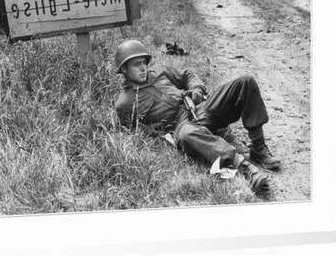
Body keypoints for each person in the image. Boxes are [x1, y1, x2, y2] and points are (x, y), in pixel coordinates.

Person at [113, 40, 281, 194]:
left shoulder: (157, 73)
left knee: (245, 82)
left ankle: (259, 148)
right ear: (124, 69)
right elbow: (135, 135)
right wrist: (160, 133)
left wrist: (196, 90)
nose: (143, 68)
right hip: (181, 126)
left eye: (144, 62)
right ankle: (245, 168)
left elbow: (187, 75)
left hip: (199, 108)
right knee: (187, 135)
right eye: (137, 64)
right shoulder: (125, 103)